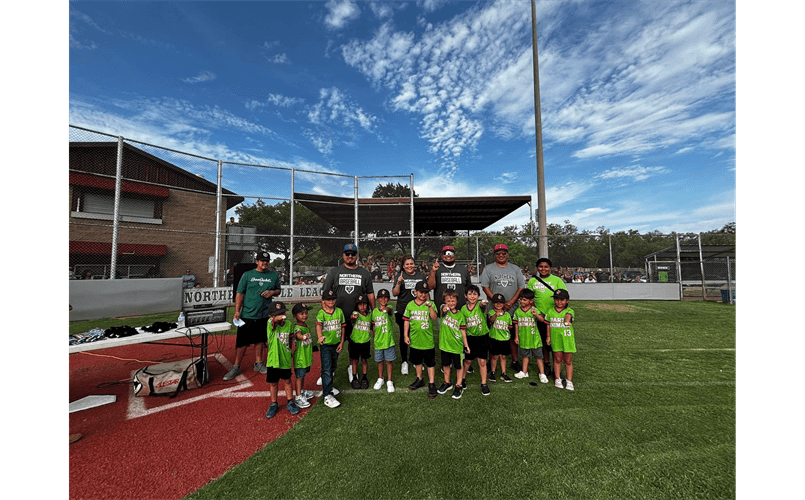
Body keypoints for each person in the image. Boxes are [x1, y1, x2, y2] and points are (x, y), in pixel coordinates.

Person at [322, 243, 375, 383]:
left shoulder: (364, 273)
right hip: (337, 318)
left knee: (355, 347)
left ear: (357, 256)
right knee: (333, 346)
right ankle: (329, 372)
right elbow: (325, 294)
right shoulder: (334, 272)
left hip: (358, 319)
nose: (350, 256)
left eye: (353, 254)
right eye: (347, 254)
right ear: (343, 255)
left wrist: (374, 313)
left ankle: (353, 371)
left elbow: (370, 294)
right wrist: (326, 313)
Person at [225, 251, 281, 380]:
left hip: (264, 314)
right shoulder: (248, 275)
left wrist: (272, 292)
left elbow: (278, 290)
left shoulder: (273, 275)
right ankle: (236, 366)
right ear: (257, 262)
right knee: (242, 342)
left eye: (267, 261)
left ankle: (258, 363)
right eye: (262, 260)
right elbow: (239, 293)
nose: (264, 263)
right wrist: (237, 311)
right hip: (248, 314)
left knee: (260, 340)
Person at [480, 243, 525, 372]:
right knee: (492, 335)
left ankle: (515, 360)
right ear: (494, 255)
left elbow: (521, 287)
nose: (501, 255)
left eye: (503, 253)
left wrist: (510, 302)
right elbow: (485, 286)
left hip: (512, 308)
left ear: (507, 255)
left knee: (511, 335)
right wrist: (496, 302)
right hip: (494, 309)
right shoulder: (488, 268)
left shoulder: (515, 269)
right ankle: (491, 360)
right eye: (498, 253)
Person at [526, 257, 567, 378]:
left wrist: (560, 313)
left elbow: (564, 297)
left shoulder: (557, 280)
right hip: (540, 317)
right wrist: (539, 313)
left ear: (550, 268)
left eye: (546, 267)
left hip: (555, 317)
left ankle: (557, 367)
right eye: (541, 266)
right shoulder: (532, 281)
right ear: (537, 268)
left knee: (555, 343)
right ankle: (546, 364)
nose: (543, 269)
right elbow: (529, 299)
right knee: (544, 342)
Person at [403, 280, 439, 399]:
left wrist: (430, 307)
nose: (423, 295)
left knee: (430, 363)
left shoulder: (430, 304)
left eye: (425, 293)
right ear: (415, 292)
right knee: (417, 361)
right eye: (421, 292)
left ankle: (432, 383)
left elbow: (434, 318)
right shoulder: (410, 305)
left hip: (427, 340)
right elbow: (406, 320)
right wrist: (405, 335)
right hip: (415, 339)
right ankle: (419, 378)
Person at [392, 254, 426, 376]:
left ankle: (416, 360)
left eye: (411, 263)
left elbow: (425, 292)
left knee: (417, 335)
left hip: (418, 311)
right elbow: (395, 293)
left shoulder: (421, 276)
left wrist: (428, 305)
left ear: (415, 264)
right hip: (403, 310)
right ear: (403, 266)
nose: (410, 266)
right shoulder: (400, 276)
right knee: (404, 335)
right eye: (407, 264)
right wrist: (399, 283)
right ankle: (404, 361)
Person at [265, 302, 300, 418]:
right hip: (273, 360)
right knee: (274, 383)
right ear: (271, 316)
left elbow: (290, 340)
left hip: (285, 358)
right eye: (276, 314)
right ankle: (274, 403)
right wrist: (278, 317)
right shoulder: (270, 324)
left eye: (282, 312)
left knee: (287, 381)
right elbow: (274, 321)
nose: (280, 316)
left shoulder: (289, 324)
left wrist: (291, 351)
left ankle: (290, 401)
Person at [537, 289, 577, 391]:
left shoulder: (569, 311)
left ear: (567, 301)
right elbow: (548, 325)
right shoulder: (550, 311)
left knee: (568, 360)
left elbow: (569, 316)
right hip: (556, 340)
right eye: (557, 299)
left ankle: (569, 380)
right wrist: (548, 337)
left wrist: (567, 320)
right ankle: (557, 378)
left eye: (562, 300)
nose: (559, 302)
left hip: (567, 340)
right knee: (557, 359)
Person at [316, 289, 346, 408]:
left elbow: (342, 327)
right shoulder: (321, 313)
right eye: (328, 299)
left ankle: (329, 385)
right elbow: (318, 325)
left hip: (336, 343)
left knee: (333, 366)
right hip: (326, 345)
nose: (331, 301)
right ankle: (327, 395)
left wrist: (342, 342)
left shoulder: (339, 311)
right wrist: (319, 337)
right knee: (327, 368)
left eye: (333, 299)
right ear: (323, 301)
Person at [437, 289, 468, 400]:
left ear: (457, 301)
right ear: (445, 301)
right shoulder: (443, 309)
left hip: (457, 346)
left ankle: (458, 385)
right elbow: (443, 310)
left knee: (458, 367)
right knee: (446, 365)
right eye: (448, 301)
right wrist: (445, 308)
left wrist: (466, 345)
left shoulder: (460, 315)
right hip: (445, 345)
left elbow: (463, 331)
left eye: (453, 301)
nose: (451, 303)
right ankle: (447, 382)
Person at [512, 289, 549, 383]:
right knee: (525, 356)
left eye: (524, 300)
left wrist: (536, 315)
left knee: (538, 357)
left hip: (534, 338)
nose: (521, 301)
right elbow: (516, 324)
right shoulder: (517, 311)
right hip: (523, 337)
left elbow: (542, 320)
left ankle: (542, 373)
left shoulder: (534, 310)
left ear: (531, 301)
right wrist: (516, 336)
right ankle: (524, 371)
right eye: (521, 299)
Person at [460, 284, 491, 395]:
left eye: (475, 294)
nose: (472, 296)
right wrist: (465, 343)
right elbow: (462, 326)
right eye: (470, 294)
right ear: (465, 296)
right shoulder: (463, 309)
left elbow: (483, 305)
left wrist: (483, 302)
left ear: (478, 296)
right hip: (470, 338)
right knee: (468, 361)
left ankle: (484, 383)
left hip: (482, 337)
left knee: (482, 361)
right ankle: (462, 379)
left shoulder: (479, 305)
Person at [428, 245, 471, 312]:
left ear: (454, 256)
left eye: (451, 253)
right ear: (442, 256)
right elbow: (430, 287)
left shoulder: (463, 269)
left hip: (461, 311)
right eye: (445, 253)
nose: (448, 255)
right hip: (442, 311)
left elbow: (469, 289)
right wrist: (433, 271)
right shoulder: (437, 269)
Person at [370, 289, 396, 393]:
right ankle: (380, 378)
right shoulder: (374, 312)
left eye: (385, 298)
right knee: (379, 362)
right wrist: (374, 338)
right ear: (377, 299)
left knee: (389, 361)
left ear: (388, 299)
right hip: (378, 341)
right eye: (381, 298)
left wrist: (386, 309)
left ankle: (389, 380)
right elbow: (374, 326)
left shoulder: (390, 308)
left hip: (388, 340)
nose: (383, 300)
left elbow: (389, 310)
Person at [291, 303, 316, 409]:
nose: (305, 315)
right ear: (295, 316)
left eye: (306, 313)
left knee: (303, 376)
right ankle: (298, 397)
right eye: (302, 314)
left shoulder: (305, 325)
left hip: (305, 356)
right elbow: (298, 334)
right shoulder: (297, 327)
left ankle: (301, 391)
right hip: (300, 358)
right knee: (299, 377)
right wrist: (302, 337)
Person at [486, 293, 513, 383]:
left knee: (503, 357)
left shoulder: (507, 315)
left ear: (504, 304)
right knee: (494, 357)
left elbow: (510, 326)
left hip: (504, 339)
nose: (498, 305)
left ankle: (503, 373)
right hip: (494, 338)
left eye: (501, 303)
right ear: (493, 303)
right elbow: (491, 320)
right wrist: (496, 315)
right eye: (496, 303)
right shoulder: (491, 312)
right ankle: (493, 372)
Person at [348, 295, 372, 390]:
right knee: (355, 360)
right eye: (360, 304)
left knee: (364, 360)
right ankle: (354, 377)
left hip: (365, 341)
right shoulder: (356, 313)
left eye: (364, 304)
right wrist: (353, 317)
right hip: (355, 341)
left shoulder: (370, 315)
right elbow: (353, 317)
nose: (362, 307)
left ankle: (364, 377)